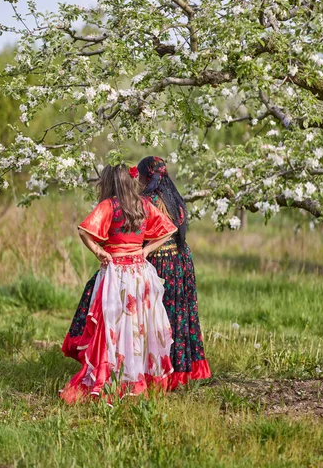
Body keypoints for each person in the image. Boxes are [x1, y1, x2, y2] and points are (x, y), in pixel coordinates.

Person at [62, 157, 211, 390]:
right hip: (155, 269)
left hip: (125, 269)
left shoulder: (115, 204)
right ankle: (144, 373)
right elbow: (171, 229)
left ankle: (113, 371)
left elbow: (84, 230)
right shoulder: (155, 202)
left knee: (115, 320)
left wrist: (100, 251)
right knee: (145, 323)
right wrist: (145, 250)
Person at [137, 156, 211, 388]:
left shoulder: (146, 201)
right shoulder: (175, 199)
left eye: (139, 176)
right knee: (180, 312)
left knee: (159, 316)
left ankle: (158, 373)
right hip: (181, 259)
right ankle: (180, 370)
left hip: (160, 260)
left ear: (145, 176)